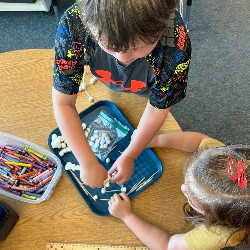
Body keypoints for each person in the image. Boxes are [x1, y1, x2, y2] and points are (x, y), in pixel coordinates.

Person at [52, 0, 191, 188]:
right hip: (113, 81)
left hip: (148, 89)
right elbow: (63, 103)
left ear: (161, 27)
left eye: (137, 47)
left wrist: (130, 154)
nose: (123, 58)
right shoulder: (74, 23)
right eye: (110, 46)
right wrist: (87, 162)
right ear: (88, 24)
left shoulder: (176, 45)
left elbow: (158, 107)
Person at [108, 131, 250, 250]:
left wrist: (127, 216)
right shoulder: (224, 164)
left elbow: (168, 245)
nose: (183, 188)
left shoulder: (221, 234)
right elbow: (199, 140)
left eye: (190, 195)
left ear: (215, 216)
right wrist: (155, 139)